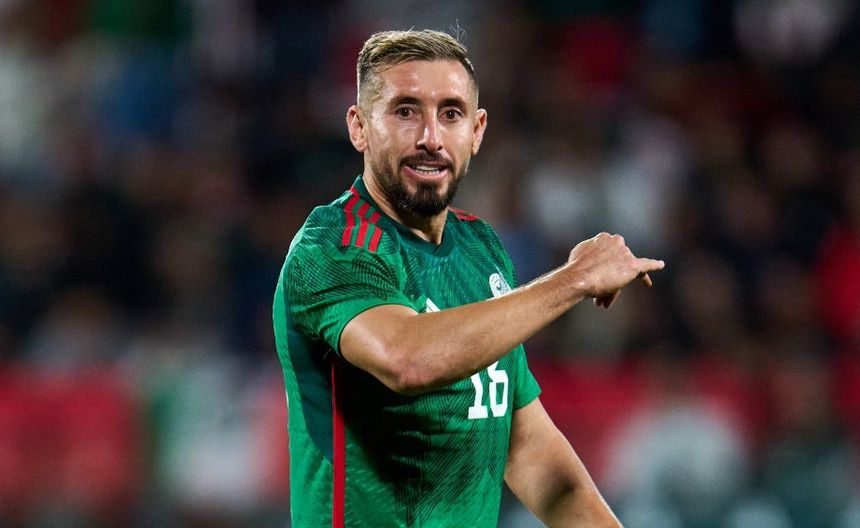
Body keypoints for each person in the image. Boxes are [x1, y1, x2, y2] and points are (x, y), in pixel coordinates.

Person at [272, 29, 664, 527]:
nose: (430, 138)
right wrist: (573, 280)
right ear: (359, 127)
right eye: (405, 111)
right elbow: (407, 360)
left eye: (451, 114)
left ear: (477, 132)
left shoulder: (482, 251)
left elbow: (534, 458)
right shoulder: (333, 246)